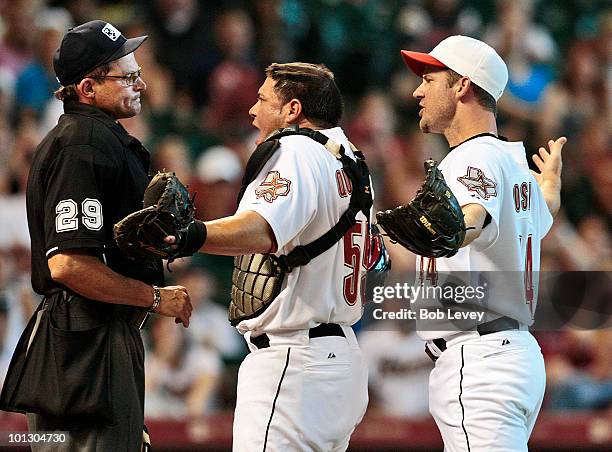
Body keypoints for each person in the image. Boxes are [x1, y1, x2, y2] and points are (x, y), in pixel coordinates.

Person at [0, 20, 192, 451]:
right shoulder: (82, 143)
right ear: (87, 87)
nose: (141, 84)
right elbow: (68, 264)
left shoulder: (95, 138)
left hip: (89, 339)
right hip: (85, 344)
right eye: (127, 77)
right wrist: (156, 298)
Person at [166, 62, 370, 451]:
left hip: (294, 361)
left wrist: (188, 235)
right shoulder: (350, 157)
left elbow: (261, 230)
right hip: (338, 359)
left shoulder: (295, 150)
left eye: (262, 100)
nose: (252, 110)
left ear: (293, 110)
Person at [399, 35, 565, 450]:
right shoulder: (511, 163)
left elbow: (473, 217)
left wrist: (455, 227)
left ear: (462, 85)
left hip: (480, 358)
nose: (418, 90)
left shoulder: (473, 157)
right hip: (509, 353)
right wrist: (549, 194)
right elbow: (531, 220)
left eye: (430, 78)